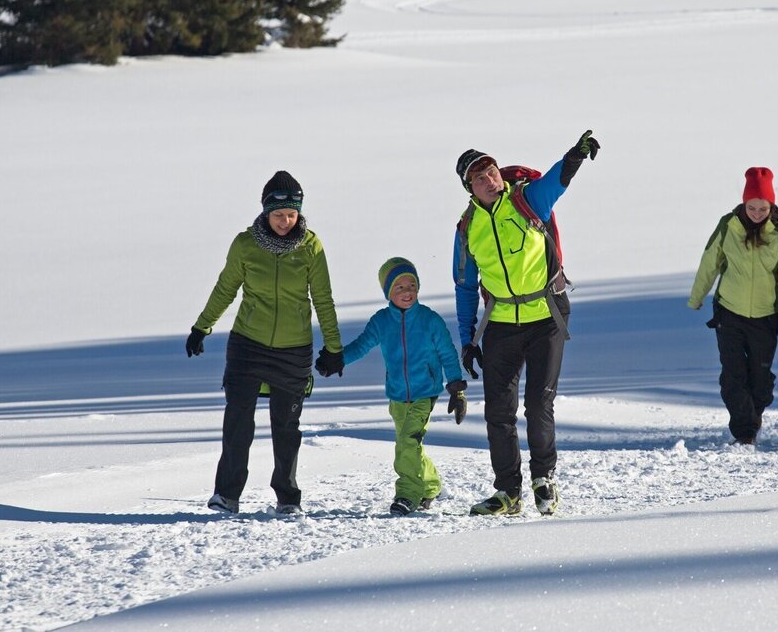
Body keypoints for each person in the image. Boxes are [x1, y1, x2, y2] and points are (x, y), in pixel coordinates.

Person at [453, 131, 600, 516]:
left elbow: (557, 180)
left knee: (538, 402)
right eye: (478, 177)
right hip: (500, 322)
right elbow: (466, 286)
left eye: (490, 171)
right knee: (498, 412)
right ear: (469, 188)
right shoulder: (467, 228)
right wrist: (467, 339)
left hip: (546, 315)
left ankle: (544, 479)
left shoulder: (526, 200)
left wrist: (575, 155)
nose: (488, 180)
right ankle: (508, 492)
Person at [186, 171, 344, 516]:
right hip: (248, 344)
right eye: (278, 215)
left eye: (291, 214)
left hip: (293, 349)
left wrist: (334, 347)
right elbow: (226, 288)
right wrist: (202, 327)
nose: (286, 222)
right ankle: (226, 495)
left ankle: (288, 498)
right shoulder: (245, 244)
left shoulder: (311, 246)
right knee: (238, 420)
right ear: (264, 212)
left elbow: (323, 299)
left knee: (286, 428)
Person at [325, 258, 466, 517]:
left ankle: (408, 494)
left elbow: (447, 353)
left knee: (407, 442)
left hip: (425, 391)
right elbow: (362, 344)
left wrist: (456, 387)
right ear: (388, 292)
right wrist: (338, 358)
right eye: (399, 287)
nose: (407, 291)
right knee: (409, 444)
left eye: (411, 285)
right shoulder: (381, 321)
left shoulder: (429, 320)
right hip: (397, 394)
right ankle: (431, 483)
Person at [688, 168, 778, 446]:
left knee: (760, 381)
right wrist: (697, 296)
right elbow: (710, 261)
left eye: (762, 207)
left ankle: (752, 418)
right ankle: (745, 432)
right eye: (751, 207)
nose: (756, 212)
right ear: (743, 204)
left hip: (765, 316)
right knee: (732, 376)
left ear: (771, 205)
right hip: (729, 311)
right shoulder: (729, 225)